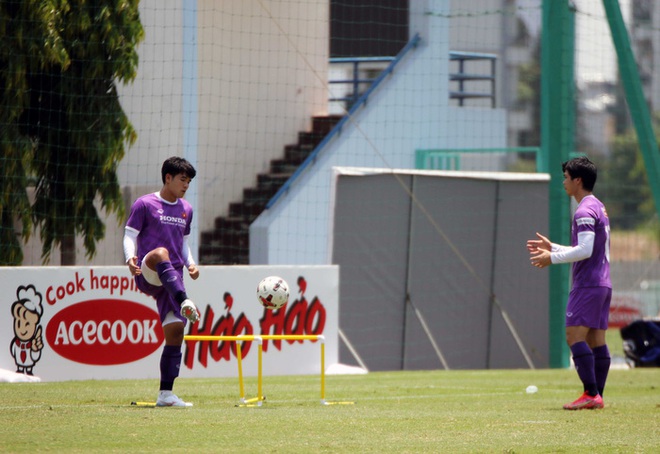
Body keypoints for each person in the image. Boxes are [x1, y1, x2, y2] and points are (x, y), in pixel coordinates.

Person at [527, 156, 611, 410]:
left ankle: (590, 393)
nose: (563, 182)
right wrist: (553, 246)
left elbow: (584, 251)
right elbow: (588, 248)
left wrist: (551, 257)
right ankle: (596, 396)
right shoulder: (598, 206)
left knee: (573, 336)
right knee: (597, 340)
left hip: (588, 284)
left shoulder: (584, 210)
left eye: (565, 177)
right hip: (603, 283)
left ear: (578, 180)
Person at [123, 156, 201, 407]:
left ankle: (166, 394)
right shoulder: (145, 204)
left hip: (173, 278)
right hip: (149, 270)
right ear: (168, 178)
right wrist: (129, 258)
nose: (186, 184)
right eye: (182, 179)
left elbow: (185, 242)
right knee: (160, 253)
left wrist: (191, 262)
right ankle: (185, 300)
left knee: (176, 332)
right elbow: (129, 235)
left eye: (189, 181)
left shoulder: (186, 209)